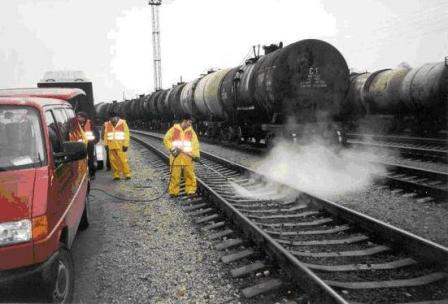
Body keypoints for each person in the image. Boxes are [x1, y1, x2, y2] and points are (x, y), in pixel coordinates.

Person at [163, 114, 200, 198]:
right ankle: (173, 192)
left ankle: (190, 191)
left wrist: (196, 155)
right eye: (189, 122)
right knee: (175, 176)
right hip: (176, 157)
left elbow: (195, 144)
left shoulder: (191, 132)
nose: (190, 124)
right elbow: (166, 139)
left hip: (188, 158)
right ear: (184, 121)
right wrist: (172, 148)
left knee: (190, 175)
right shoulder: (173, 130)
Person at [103, 111, 131, 180]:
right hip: (111, 146)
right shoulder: (107, 124)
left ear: (116, 117)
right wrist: (106, 144)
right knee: (113, 161)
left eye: (113, 118)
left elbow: (126, 134)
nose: (112, 119)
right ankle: (116, 175)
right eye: (110, 118)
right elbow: (106, 135)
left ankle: (127, 174)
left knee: (123, 160)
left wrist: (126, 145)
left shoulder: (123, 123)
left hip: (120, 146)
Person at [76, 112, 100, 179]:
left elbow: (96, 133)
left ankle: (92, 173)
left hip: (89, 144)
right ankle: (84, 173)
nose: (78, 118)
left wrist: (94, 142)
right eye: (77, 117)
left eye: (79, 117)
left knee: (90, 159)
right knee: (81, 160)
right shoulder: (76, 124)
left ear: (84, 118)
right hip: (80, 145)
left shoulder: (90, 123)